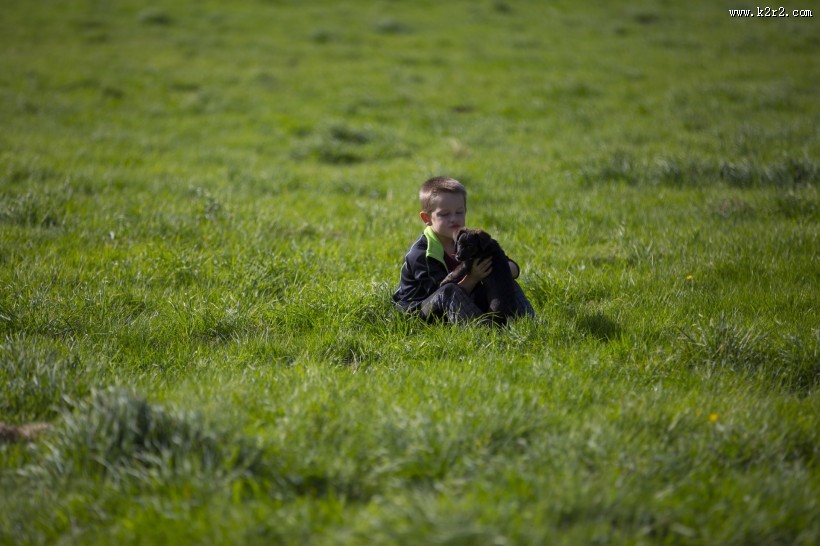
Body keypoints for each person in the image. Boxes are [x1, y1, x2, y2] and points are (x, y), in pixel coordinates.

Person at [392, 176, 535, 324]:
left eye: (459, 212)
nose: (453, 219)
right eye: (444, 214)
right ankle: (483, 333)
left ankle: (528, 323)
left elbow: (514, 268)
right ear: (427, 218)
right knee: (448, 291)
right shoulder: (421, 254)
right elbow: (438, 294)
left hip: (459, 301)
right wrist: (473, 277)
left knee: (505, 279)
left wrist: (499, 271)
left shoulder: (469, 239)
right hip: (418, 310)